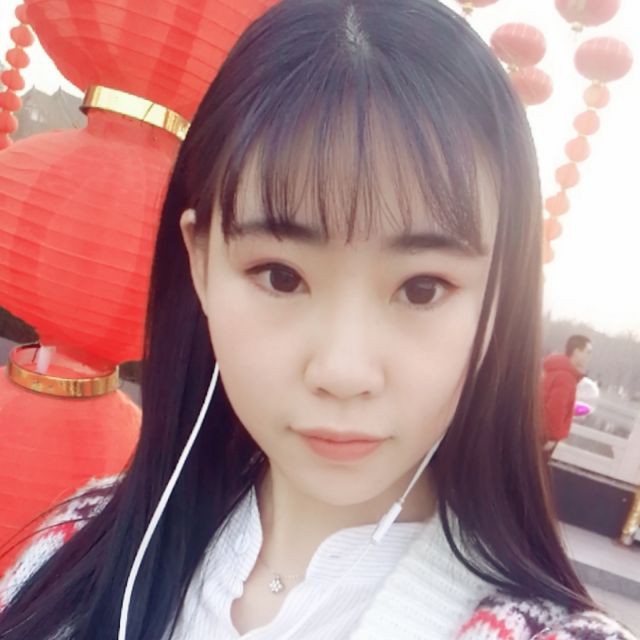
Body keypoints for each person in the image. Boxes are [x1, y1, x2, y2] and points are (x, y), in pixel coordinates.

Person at [0, 1, 634, 638]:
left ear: (502, 293)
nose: (342, 371)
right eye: (281, 276)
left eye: (421, 289)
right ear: (201, 261)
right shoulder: (71, 546)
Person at [542, 335, 593, 456]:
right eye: (588, 352)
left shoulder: (552, 369)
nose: (589, 357)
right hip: (544, 440)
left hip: (534, 431)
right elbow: (556, 409)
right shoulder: (566, 378)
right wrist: (551, 437)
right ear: (576, 352)